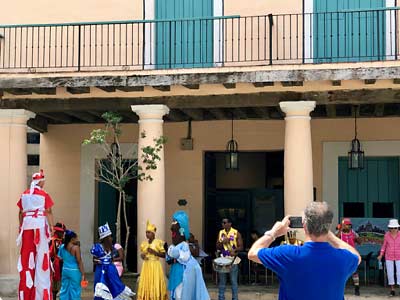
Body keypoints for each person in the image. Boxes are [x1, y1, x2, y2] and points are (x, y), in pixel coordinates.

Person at [248, 202, 361, 300]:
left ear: (304, 224)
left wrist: (273, 233)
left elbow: (252, 253)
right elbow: (357, 256)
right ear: (329, 225)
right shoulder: (343, 258)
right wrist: (330, 236)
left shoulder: (287, 255)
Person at [17, 169, 55, 300]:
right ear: (41, 181)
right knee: (41, 259)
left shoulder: (24, 194)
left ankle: (26, 295)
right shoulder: (44, 194)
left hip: (27, 227)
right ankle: (40, 295)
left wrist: (20, 226)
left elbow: (21, 213)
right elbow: (49, 211)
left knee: (27, 259)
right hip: (39, 226)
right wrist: (51, 226)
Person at [167, 210, 209, 300]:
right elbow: (169, 257)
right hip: (175, 271)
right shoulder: (174, 246)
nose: (172, 226)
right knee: (175, 293)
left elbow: (183, 257)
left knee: (181, 294)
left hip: (183, 273)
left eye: (175, 222)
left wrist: (173, 253)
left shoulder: (184, 245)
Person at [91, 223, 134, 299]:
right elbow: (94, 260)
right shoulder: (98, 248)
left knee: (113, 290)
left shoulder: (111, 248)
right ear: (105, 238)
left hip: (111, 271)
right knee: (101, 290)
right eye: (110, 236)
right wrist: (98, 261)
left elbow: (118, 257)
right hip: (101, 271)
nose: (111, 238)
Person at [137, 220, 168, 300]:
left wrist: (155, 252)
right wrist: (142, 256)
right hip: (146, 266)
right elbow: (142, 255)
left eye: (149, 232)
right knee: (146, 283)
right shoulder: (144, 244)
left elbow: (164, 255)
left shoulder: (159, 242)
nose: (147, 234)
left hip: (155, 265)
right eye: (146, 232)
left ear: (153, 233)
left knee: (155, 282)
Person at [216, 217, 243, 300]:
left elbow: (241, 247)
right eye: (222, 222)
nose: (223, 224)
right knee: (222, 281)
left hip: (233, 260)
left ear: (230, 223)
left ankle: (235, 298)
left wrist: (234, 250)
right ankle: (221, 298)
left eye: (224, 222)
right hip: (223, 259)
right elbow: (217, 246)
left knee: (233, 281)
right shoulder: (221, 233)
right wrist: (222, 242)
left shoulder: (236, 233)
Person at [58, 230, 85, 300]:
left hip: (65, 270)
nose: (77, 239)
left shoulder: (62, 247)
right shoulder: (76, 248)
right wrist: (83, 274)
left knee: (64, 289)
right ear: (72, 239)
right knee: (75, 290)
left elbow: (60, 258)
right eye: (76, 238)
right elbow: (79, 261)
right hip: (75, 271)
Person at [338, 218, 362, 296]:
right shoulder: (340, 233)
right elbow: (334, 239)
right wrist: (340, 230)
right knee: (341, 272)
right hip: (342, 255)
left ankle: (357, 288)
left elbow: (360, 242)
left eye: (349, 225)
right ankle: (340, 289)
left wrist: (356, 237)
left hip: (352, 255)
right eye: (346, 225)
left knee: (354, 272)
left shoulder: (353, 233)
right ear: (343, 225)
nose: (347, 226)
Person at [378, 219, 400, 296]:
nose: (393, 229)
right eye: (391, 228)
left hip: (399, 256)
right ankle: (392, 290)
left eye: (395, 228)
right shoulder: (387, 235)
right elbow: (384, 246)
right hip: (389, 256)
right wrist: (381, 254)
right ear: (389, 228)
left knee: (399, 273)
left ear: (398, 228)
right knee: (390, 273)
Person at [49, 222, 66, 300]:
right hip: (55, 265)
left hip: (63, 264)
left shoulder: (63, 241)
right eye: (62, 232)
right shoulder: (52, 241)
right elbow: (50, 253)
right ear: (58, 232)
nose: (63, 234)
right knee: (54, 286)